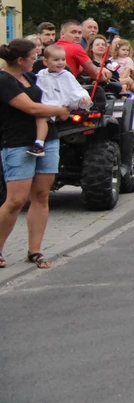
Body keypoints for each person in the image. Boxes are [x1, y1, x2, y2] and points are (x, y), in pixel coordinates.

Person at [0, 39, 71, 270]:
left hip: (47, 140)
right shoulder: (4, 80)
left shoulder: (30, 77)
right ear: (20, 60)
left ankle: (35, 250)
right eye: (33, 56)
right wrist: (59, 110)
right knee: (16, 200)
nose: (37, 60)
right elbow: (30, 108)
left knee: (41, 195)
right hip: (17, 143)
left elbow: (44, 100)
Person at [31, 44, 92, 156]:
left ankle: (39, 144)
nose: (60, 62)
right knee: (39, 117)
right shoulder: (41, 75)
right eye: (56, 60)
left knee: (41, 119)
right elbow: (37, 89)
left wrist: (84, 98)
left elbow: (76, 89)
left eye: (63, 59)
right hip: (46, 104)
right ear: (45, 62)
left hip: (59, 105)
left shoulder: (66, 76)